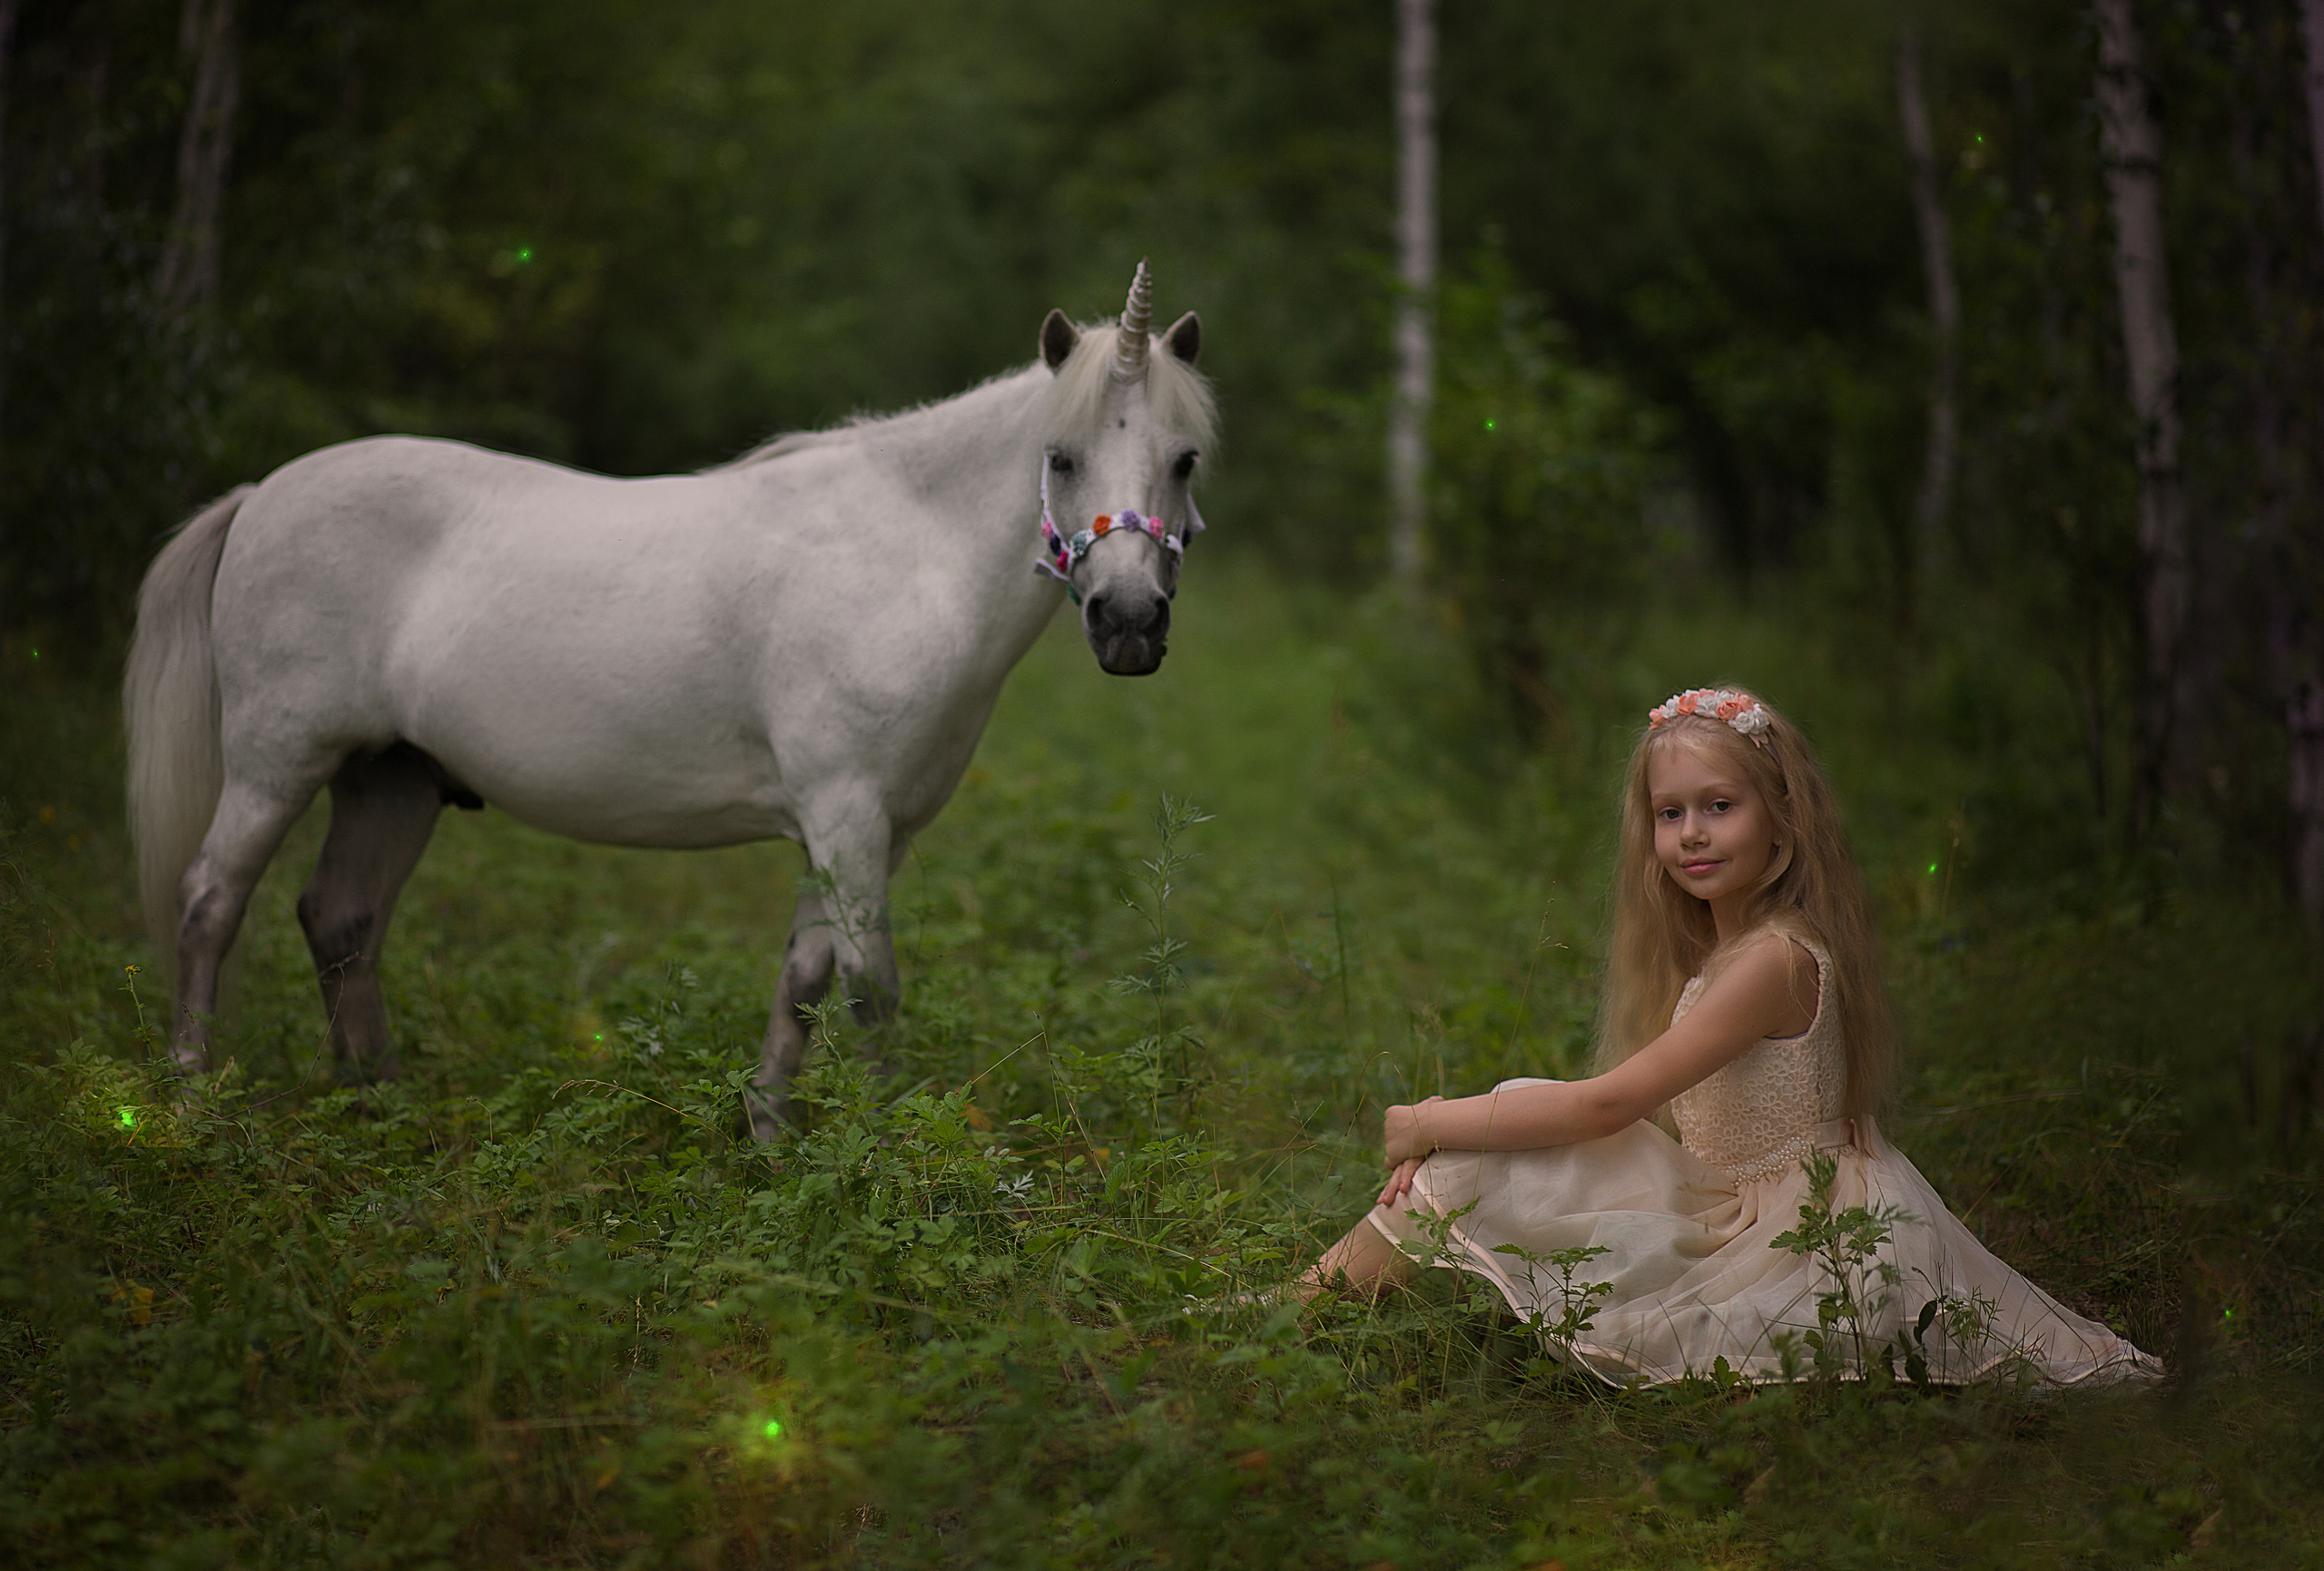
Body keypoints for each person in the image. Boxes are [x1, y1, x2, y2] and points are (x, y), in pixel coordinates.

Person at [1297, 687, 2161, 1388]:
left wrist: (1428, 1121)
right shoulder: (1728, 947)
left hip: (1791, 1227)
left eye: (1720, 806)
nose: (1693, 834)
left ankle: (1300, 1307)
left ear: (1783, 820)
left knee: (1498, 1127)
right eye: (1670, 814)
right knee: (1502, 1131)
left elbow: (1613, 1103)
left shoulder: (1773, 962)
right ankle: (1309, 1300)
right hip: (1728, 1192)